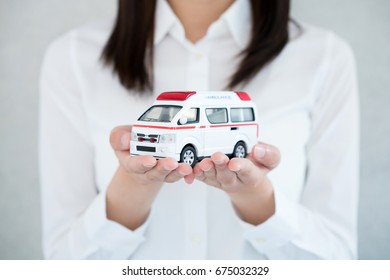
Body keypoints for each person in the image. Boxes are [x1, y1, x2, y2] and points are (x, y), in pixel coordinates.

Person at [39, 0, 359, 259]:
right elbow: (62, 262)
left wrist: (258, 200)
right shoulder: (73, 57)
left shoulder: (324, 57)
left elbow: (338, 260)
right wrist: (132, 189)